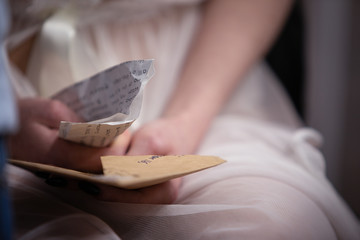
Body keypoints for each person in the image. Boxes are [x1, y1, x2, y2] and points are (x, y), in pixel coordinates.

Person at [5, 0, 360, 239]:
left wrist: (185, 122)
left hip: (200, 80)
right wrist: (7, 127)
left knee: (270, 223)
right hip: (13, 99)